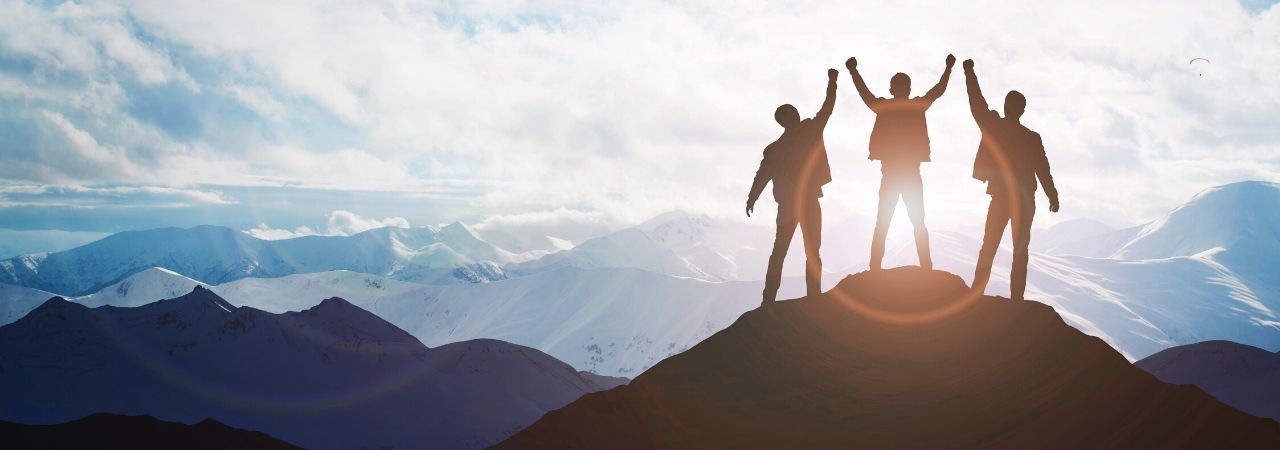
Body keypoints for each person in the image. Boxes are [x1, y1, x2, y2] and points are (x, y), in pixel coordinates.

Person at [846, 54, 955, 272]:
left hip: (893, 174)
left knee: (884, 222)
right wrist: (948, 69)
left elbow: (865, 95)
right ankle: (926, 267)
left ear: (891, 89)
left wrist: (853, 71)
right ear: (907, 88)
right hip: (909, 174)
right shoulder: (916, 106)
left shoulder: (886, 107)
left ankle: (875, 268)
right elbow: (937, 91)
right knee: (916, 222)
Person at [963, 59, 1060, 301]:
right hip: (1026, 200)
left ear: (1006, 106)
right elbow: (1043, 169)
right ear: (1022, 110)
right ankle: (1016, 300)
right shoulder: (1032, 138)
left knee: (990, 246)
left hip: (1002, 198)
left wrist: (969, 72)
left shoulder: (994, 127)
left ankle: (977, 294)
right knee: (1019, 250)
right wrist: (1052, 195)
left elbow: (977, 102)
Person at [747, 68, 837, 306]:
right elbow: (828, 108)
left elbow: (761, 177)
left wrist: (752, 198)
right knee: (811, 251)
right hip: (807, 201)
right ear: (791, 118)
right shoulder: (810, 130)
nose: (797, 115)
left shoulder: (774, 149)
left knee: (780, 252)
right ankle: (814, 297)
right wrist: (832, 82)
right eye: (794, 113)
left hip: (787, 206)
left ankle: (768, 300)